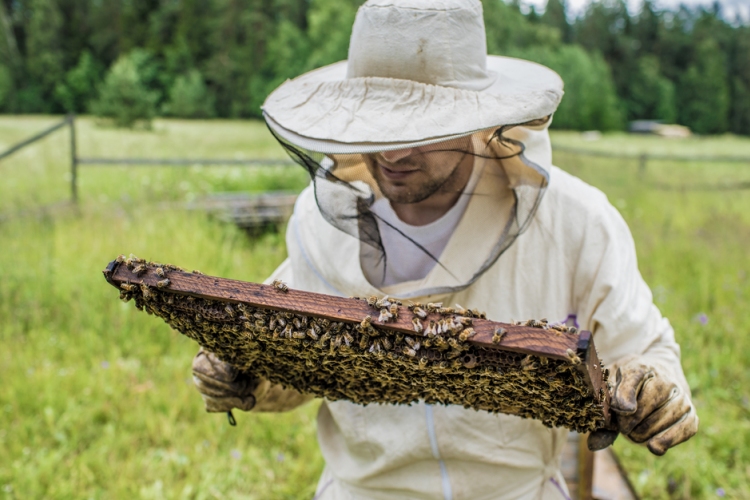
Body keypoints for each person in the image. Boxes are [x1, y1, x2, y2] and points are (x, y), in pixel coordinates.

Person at [191, 0, 698, 498]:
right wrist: (247, 375)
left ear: (480, 118)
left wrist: (654, 391)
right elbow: (299, 363)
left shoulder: (576, 220)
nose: (391, 152)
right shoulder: (317, 221)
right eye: (377, 121)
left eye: (420, 126)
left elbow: (647, 350)